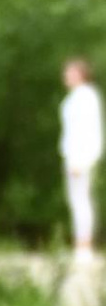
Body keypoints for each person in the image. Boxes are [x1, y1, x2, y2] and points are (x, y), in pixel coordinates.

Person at [63, 60, 101, 256]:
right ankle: (80, 243)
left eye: (70, 73)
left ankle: (84, 245)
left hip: (81, 156)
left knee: (81, 200)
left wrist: (82, 159)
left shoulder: (86, 97)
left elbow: (88, 130)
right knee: (76, 200)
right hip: (72, 155)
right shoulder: (74, 97)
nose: (66, 76)